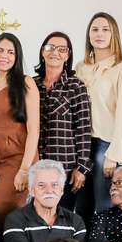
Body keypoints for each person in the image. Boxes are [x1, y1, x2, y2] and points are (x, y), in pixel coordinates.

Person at [74, 13, 122, 222]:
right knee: (81, 206)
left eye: (105, 29)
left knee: (104, 207)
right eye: (95, 29)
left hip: (106, 145)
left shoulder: (121, 69)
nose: (99, 34)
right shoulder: (81, 68)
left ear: (113, 34)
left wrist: (114, 154)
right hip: (83, 145)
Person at [0, 33, 39, 228]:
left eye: (10, 52)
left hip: (17, 161)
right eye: (0, 50)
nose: (4, 56)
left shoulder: (26, 83)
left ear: (17, 56)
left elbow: (34, 130)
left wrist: (24, 170)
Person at [3, 160, 91, 242]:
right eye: (42, 185)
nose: (49, 190)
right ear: (31, 190)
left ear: (61, 190)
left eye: (55, 184)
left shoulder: (75, 221)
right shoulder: (16, 220)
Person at [34, 32, 92, 210]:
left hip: (65, 169)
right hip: (36, 169)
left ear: (68, 55)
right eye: (50, 47)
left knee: (62, 217)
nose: (55, 52)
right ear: (43, 51)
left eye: (62, 49)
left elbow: (83, 129)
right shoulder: (31, 85)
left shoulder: (76, 86)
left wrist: (82, 167)